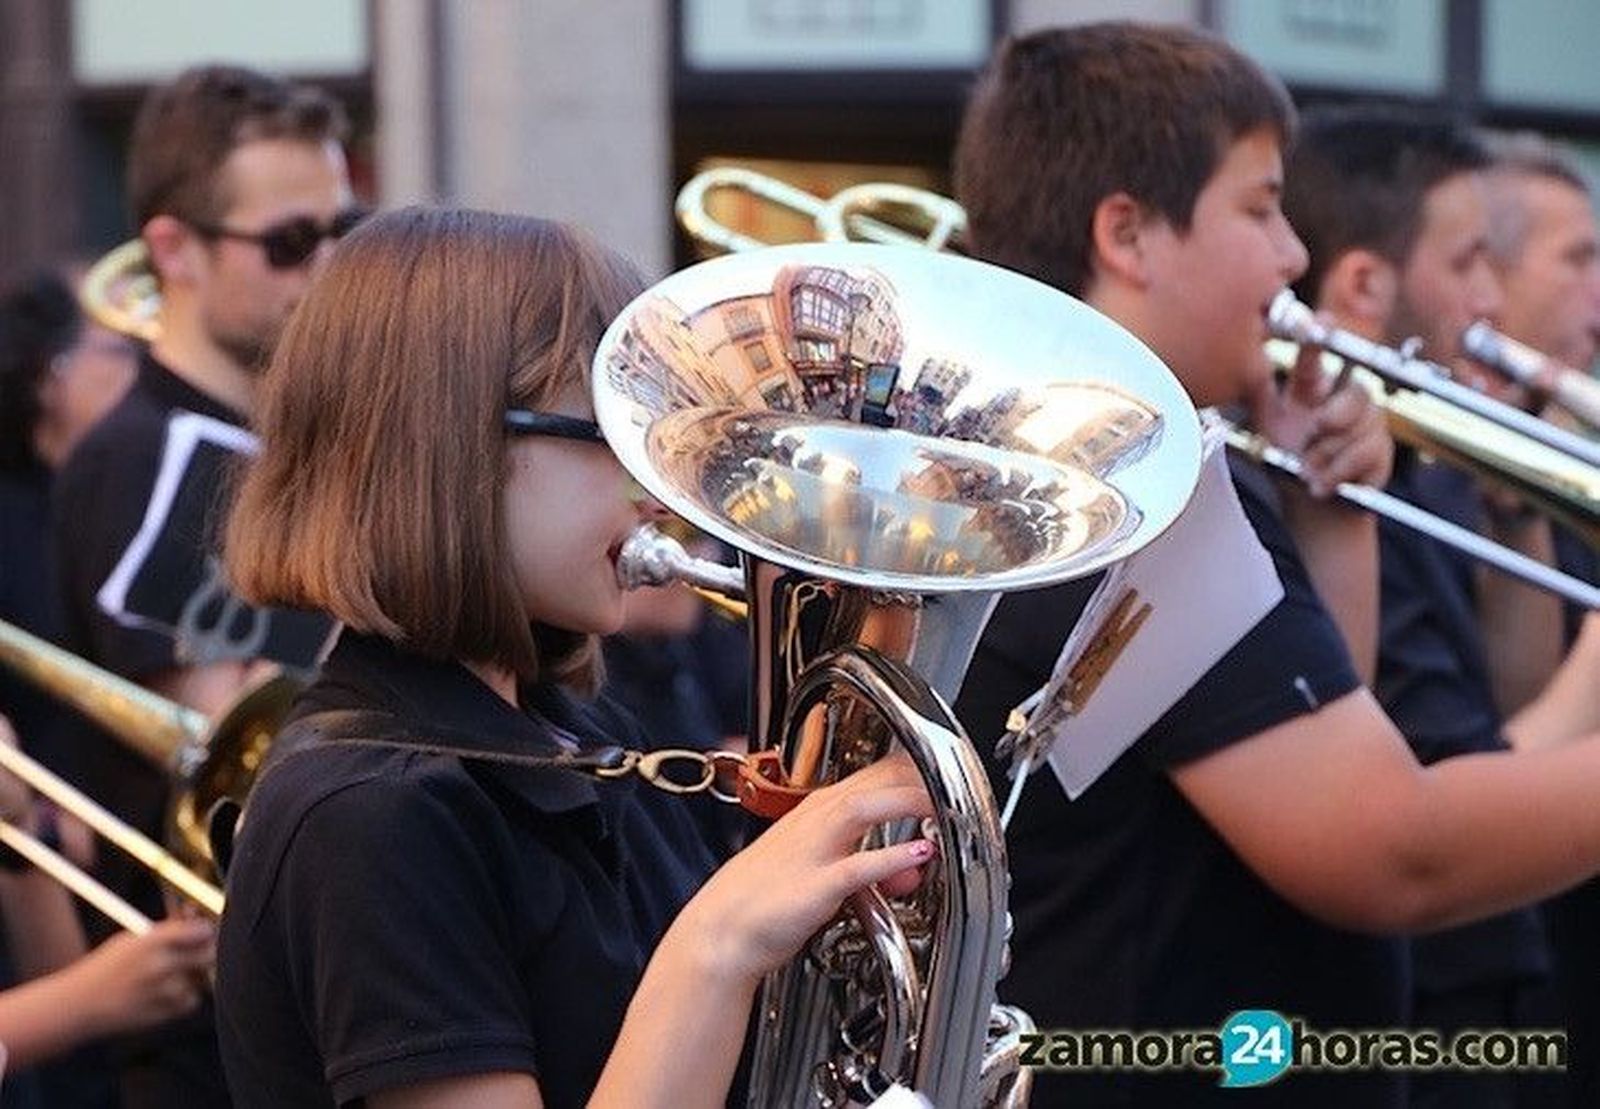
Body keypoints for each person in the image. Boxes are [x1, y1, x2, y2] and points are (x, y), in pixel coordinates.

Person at [950, 22, 1600, 1107]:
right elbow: (1396, 850)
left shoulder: (1089, 459)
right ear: (1129, 235)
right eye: (1259, 207)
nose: (1292, 254)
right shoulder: (1125, 494)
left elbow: (1301, 742)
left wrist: (1327, 516)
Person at [213, 206, 936, 1108]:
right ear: (453, 447)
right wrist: (721, 943)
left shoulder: (576, 734)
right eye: (612, 431)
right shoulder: (367, 815)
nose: (659, 491)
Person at [47, 64, 355, 1108]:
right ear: (173, 248)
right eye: (287, 241)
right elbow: (234, 741)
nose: (325, 266)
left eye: (339, 228)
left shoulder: (270, 447)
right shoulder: (153, 455)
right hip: (216, 1030)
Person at [1285, 107, 1570, 1109]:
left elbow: (1512, 699)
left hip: (1489, 975)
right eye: (1468, 263)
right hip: (1420, 1011)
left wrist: (1521, 528)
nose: (1488, 299)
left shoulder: (1424, 470)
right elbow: (1455, 779)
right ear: (1365, 283)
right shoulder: (1320, 479)